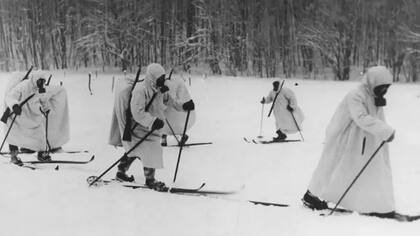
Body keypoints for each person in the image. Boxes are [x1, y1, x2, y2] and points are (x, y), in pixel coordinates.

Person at [302, 66, 396, 217]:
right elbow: (361, 117)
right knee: (332, 166)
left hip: (360, 139)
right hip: (343, 138)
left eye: (386, 88)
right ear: (373, 83)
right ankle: (311, 195)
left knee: (354, 170)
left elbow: (376, 118)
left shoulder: (373, 95)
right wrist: (385, 131)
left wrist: (381, 134)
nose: (384, 91)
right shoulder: (356, 95)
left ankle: (369, 202)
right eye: (382, 88)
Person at [108, 63, 195, 191]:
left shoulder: (160, 89)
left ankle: (121, 172)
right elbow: (137, 112)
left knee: (135, 150)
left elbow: (170, 102)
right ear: (152, 77)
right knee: (149, 150)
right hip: (139, 127)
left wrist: (183, 106)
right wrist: (152, 121)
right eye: (159, 78)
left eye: (163, 78)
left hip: (151, 127)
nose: (162, 80)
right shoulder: (140, 91)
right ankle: (150, 180)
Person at [3, 70, 70, 165]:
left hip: (32, 117)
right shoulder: (23, 86)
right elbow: (10, 96)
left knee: (40, 135)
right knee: (15, 135)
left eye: (43, 81)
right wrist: (14, 105)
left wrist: (46, 108)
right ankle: (14, 156)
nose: (41, 83)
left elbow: (44, 100)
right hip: (19, 115)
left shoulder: (41, 89)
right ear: (35, 80)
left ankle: (41, 153)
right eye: (39, 81)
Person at [160, 74, 196, 146]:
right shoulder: (162, 81)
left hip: (173, 105)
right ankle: (165, 137)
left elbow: (173, 99)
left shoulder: (176, 81)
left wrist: (185, 105)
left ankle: (180, 136)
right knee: (166, 119)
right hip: (169, 105)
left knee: (170, 119)